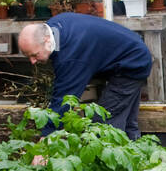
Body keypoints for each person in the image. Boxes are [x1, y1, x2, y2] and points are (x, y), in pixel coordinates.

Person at [19, 12, 151, 145]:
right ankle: (137, 157)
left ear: (47, 40)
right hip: (132, 52)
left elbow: (64, 99)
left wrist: (46, 140)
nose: (32, 61)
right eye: (28, 56)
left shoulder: (70, 56)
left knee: (104, 125)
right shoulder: (55, 26)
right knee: (128, 123)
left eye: (35, 55)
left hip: (132, 64)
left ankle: (109, 163)